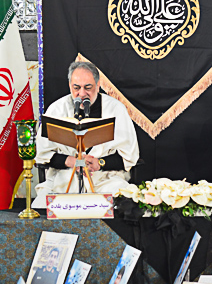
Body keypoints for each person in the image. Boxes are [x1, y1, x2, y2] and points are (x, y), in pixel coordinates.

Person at [34, 61, 140, 207]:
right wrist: (70, 161)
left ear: (98, 85)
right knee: (40, 206)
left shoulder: (116, 109)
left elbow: (129, 156)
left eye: (88, 87)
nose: (82, 94)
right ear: (70, 85)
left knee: (123, 205)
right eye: (76, 88)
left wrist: (99, 163)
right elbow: (43, 154)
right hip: (64, 179)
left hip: (105, 180)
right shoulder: (56, 109)